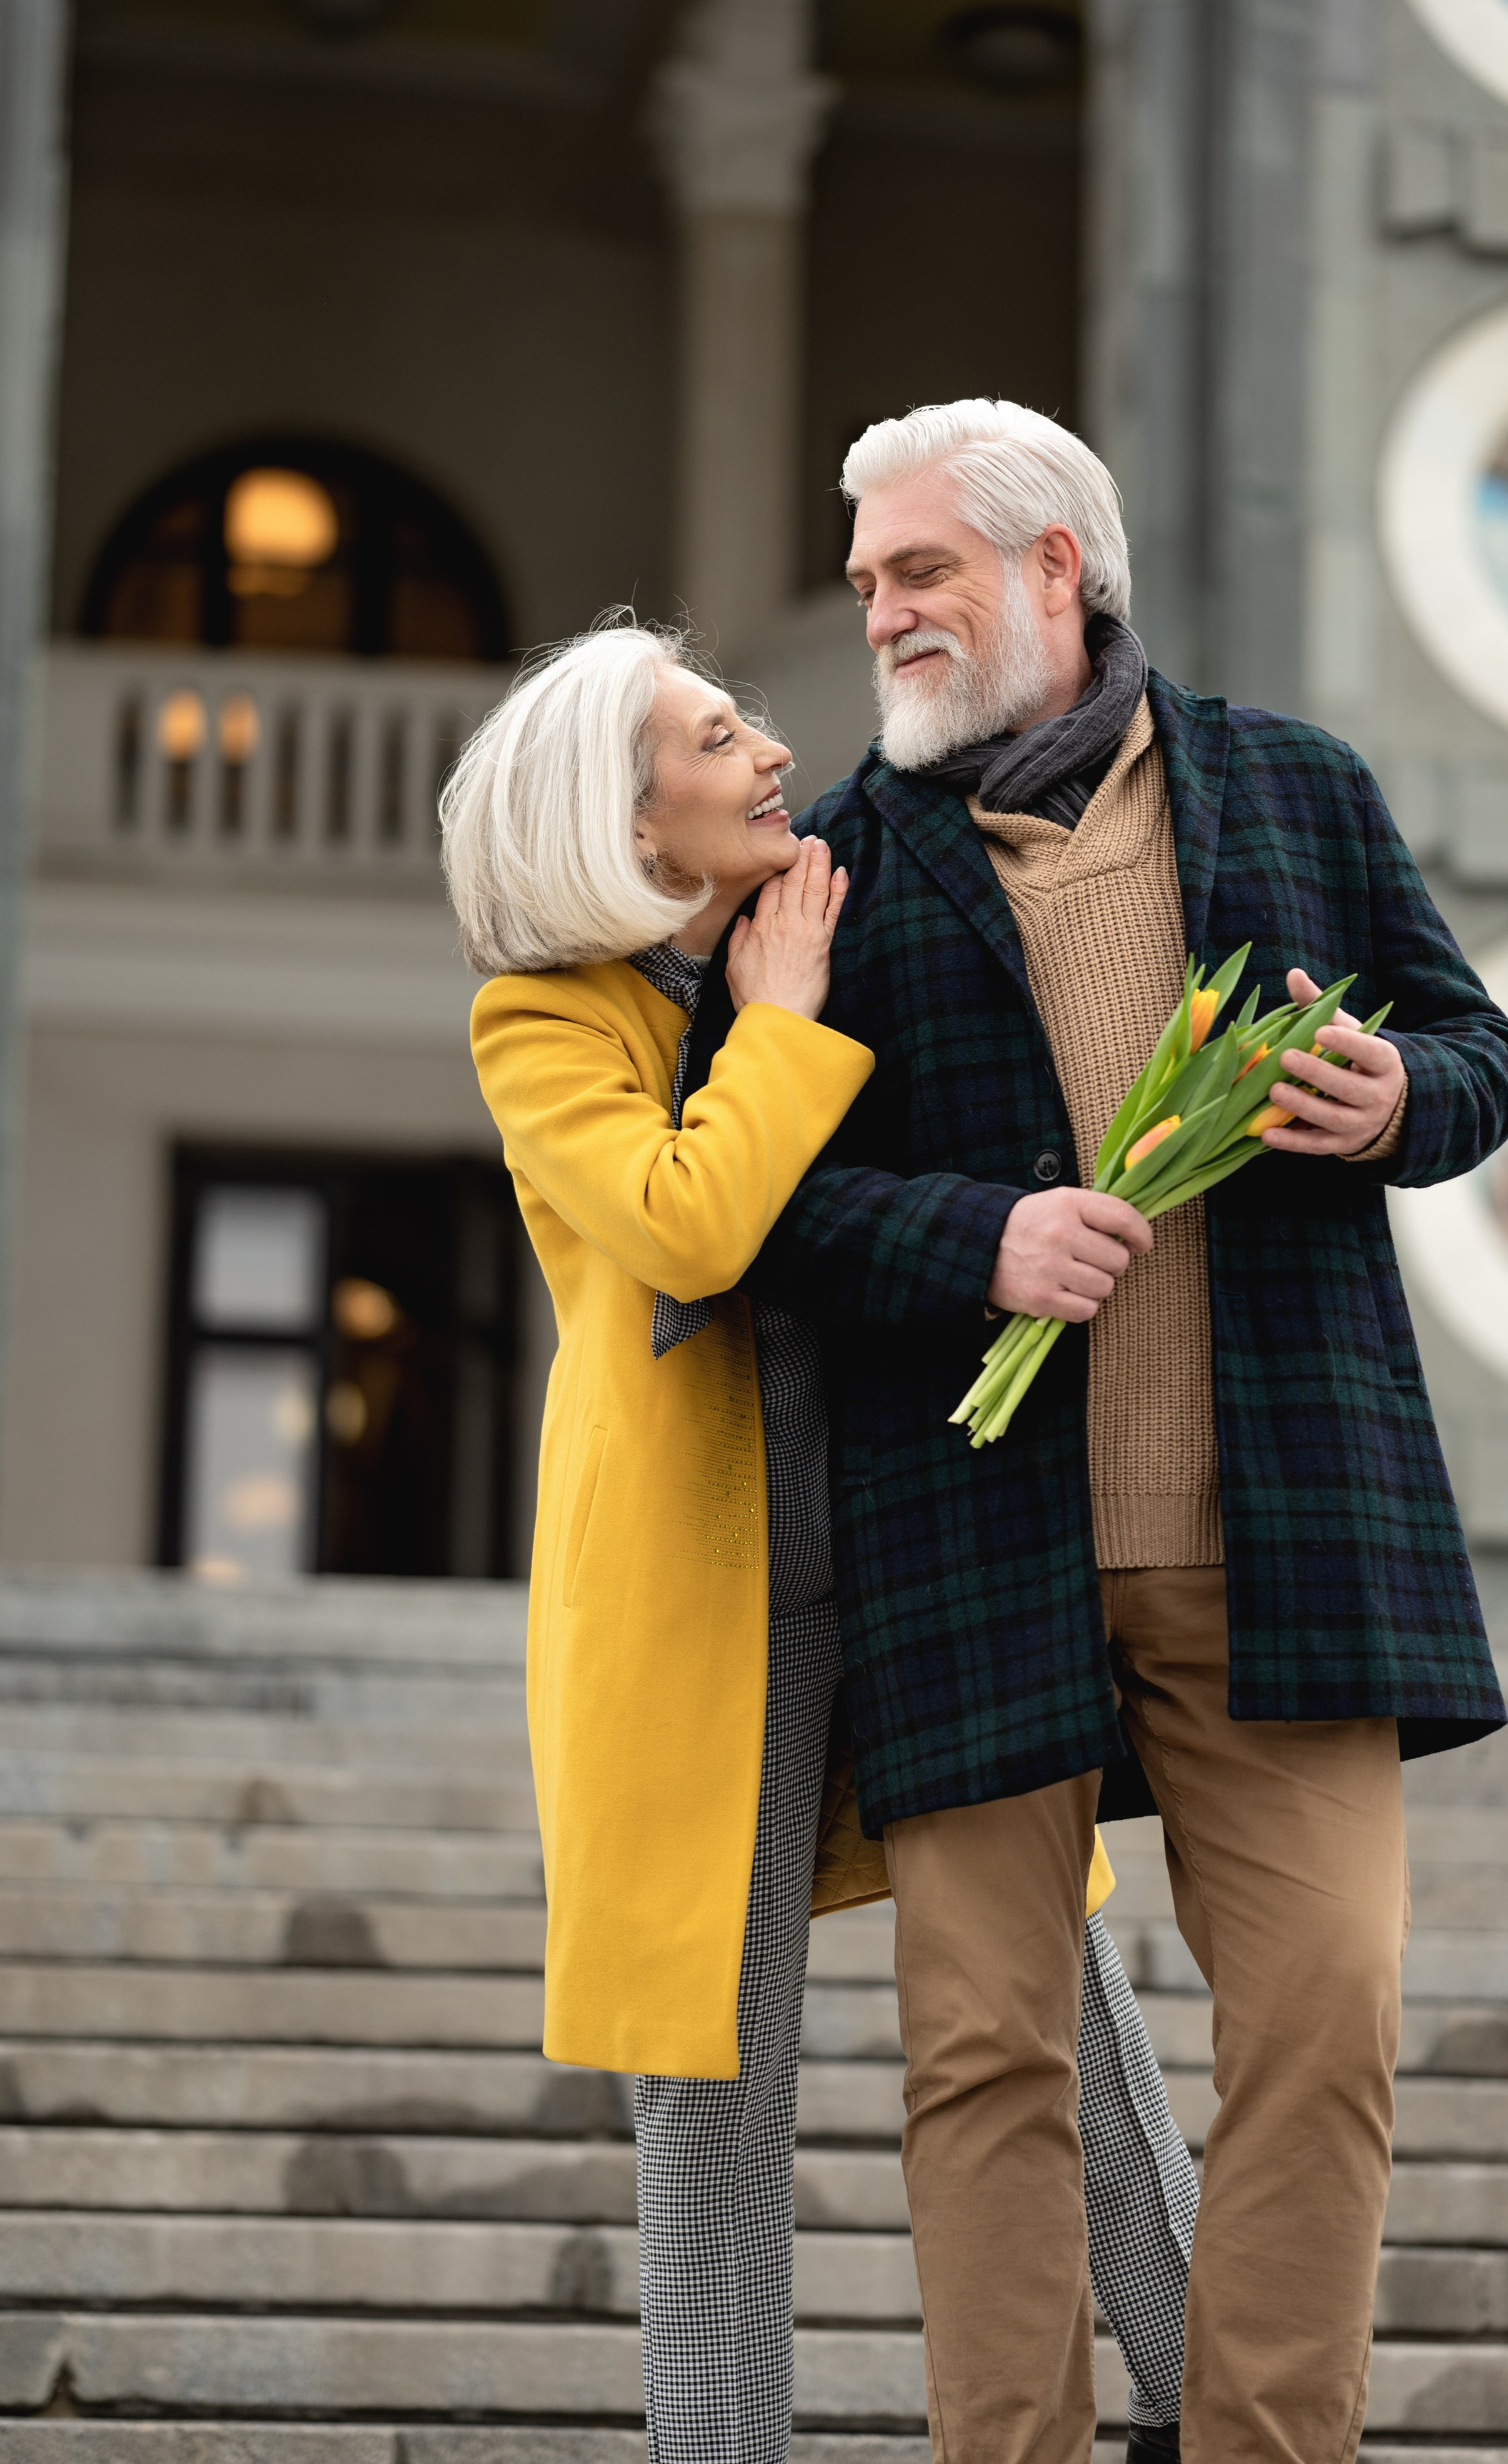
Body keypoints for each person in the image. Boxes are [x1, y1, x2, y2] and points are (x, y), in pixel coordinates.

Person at [735, 403, 1508, 2464]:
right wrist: (976, 1236)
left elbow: (1477, 1047)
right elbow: (773, 1205)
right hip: (975, 1550)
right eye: (869, 584)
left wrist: (1399, 1100)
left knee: (1327, 2023)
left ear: (1053, 568)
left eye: (919, 572)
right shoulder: (832, 866)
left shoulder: (1293, 787)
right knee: (981, 2061)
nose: (884, 614)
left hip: (1283, 1534)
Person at [439, 618, 1201, 2464]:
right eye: (716, 738)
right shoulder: (545, 1024)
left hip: (928, 1542)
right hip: (709, 1618)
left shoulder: (841, 924)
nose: (771, 751)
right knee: (708, 2083)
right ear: (628, 815)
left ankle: (1217, 2414)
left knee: (1072, 2020)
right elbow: (690, 1228)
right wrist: (774, 1024)